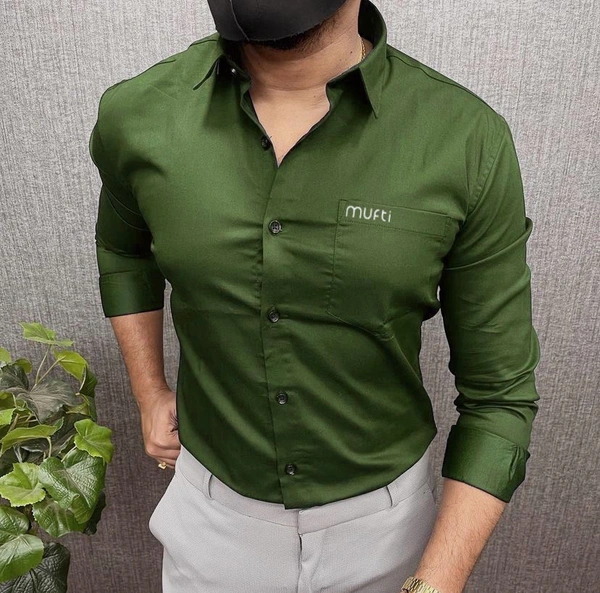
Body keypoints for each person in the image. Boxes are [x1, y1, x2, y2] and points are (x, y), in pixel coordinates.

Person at [88, 1, 541, 592]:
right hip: (211, 519)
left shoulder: (466, 139)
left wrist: (435, 583)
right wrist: (149, 391)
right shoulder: (138, 114)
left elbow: (500, 397)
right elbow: (123, 250)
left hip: (384, 532)